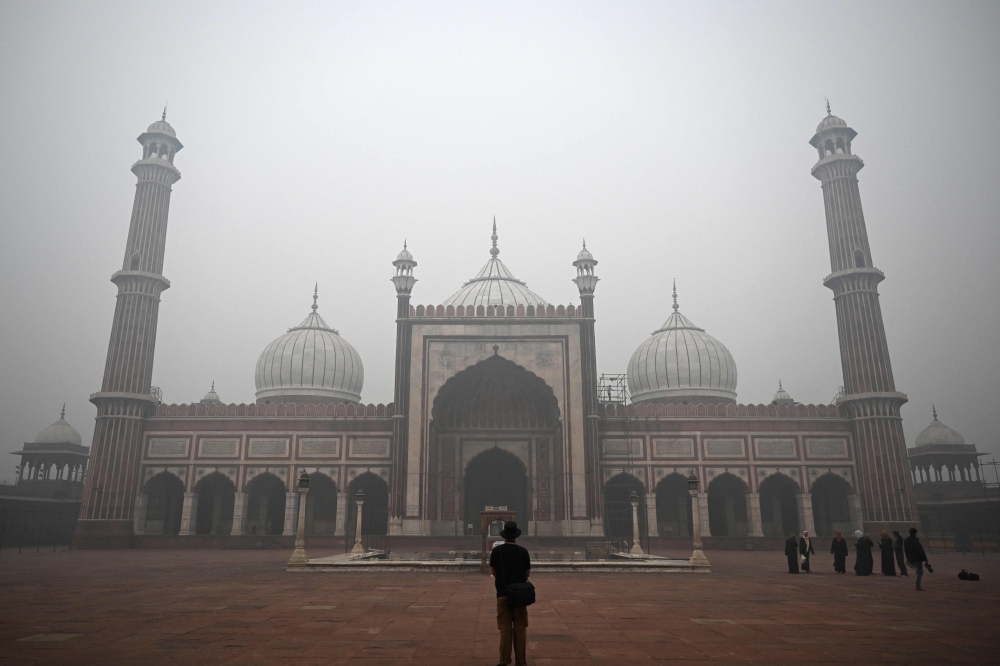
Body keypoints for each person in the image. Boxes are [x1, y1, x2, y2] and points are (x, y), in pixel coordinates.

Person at [489, 521, 531, 666]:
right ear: (516, 536)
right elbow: (527, 573)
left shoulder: (497, 551)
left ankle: (504, 661)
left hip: (503, 593)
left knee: (505, 629)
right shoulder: (523, 551)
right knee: (520, 628)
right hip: (519, 595)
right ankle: (521, 662)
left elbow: (493, 572)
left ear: (504, 536)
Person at [904, 527, 930, 591]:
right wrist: (925, 559)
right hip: (917, 558)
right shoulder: (915, 541)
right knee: (919, 572)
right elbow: (920, 550)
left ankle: (912, 565)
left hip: (911, 558)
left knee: (909, 563)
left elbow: (906, 549)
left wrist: (908, 557)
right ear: (915, 533)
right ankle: (918, 586)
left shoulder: (907, 540)